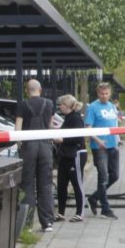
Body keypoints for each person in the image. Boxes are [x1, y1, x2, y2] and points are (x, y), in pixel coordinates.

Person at [15, 79, 57, 232]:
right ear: (40, 90)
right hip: (45, 146)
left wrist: (20, 146)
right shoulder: (49, 104)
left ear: (27, 90)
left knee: (27, 184)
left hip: (29, 147)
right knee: (45, 184)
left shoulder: (22, 104)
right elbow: (50, 126)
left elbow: (17, 129)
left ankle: (27, 224)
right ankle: (47, 223)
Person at [84, 82, 120, 218]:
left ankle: (94, 198)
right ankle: (105, 208)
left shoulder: (111, 106)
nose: (104, 96)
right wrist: (98, 141)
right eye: (102, 94)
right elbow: (88, 128)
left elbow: (115, 124)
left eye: (106, 93)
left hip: (113, 145)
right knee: (103, 177)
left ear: (110, 93)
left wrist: (118, 140)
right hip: (99, 147)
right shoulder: (93, 107)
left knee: (115, 175)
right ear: (98, 94)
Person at [53, 94, 88, 223]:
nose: (59, 106)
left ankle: (80, 213)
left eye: (61, 104)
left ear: (67, 105)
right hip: (65, 155)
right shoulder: (68, 118)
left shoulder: (75, 118)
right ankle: (61, 213)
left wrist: (62, 140)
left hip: (76, 154)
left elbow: (79, 138)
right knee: (61, 184)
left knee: (77, 183)